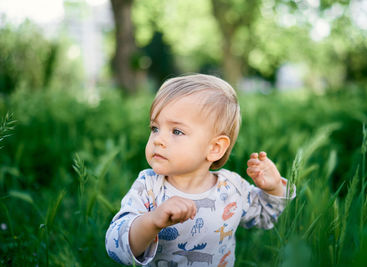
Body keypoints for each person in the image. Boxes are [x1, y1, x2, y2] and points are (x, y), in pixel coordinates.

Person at [105, 74, 296, 266]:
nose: (158, 139)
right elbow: (116, 246)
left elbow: (264, 217)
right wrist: (152, 221)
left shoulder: (232, 189)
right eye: (155, 128)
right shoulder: (148, 187)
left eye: (177, 131)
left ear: (214, 148)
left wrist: (274, 189)